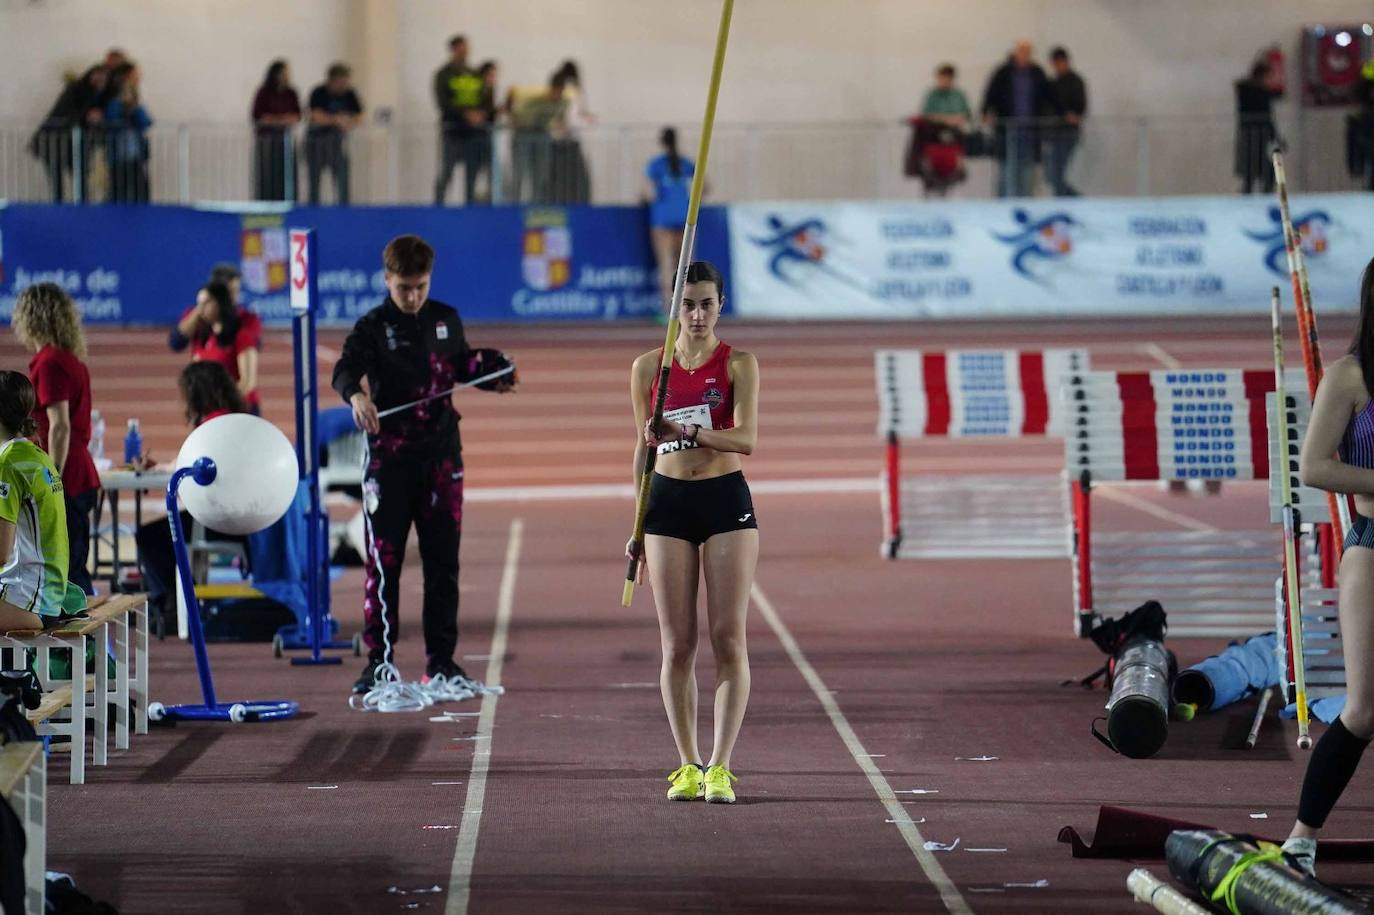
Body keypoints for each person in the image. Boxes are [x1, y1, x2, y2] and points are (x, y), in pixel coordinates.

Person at [331, 234, 514, 696]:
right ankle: (379, 663)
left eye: (420, 286)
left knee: (442, 565)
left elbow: (461, 364)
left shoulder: (445, 319)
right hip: (389, 465)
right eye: (403, 288)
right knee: (383, 565)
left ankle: (443, 663)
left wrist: (496, 371)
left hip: (441, 464)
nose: (413, 297)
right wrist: (356, 395)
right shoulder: (372, 326)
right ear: (387, 279)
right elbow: (345, 369)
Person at [627, 261, 760, 804]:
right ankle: (686, 765)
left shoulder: (740, 364)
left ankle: (721, 766)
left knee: (728, 638)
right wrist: (635, 525)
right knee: (677, 644)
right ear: (674, 308)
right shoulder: (647, 369)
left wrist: (684, 428)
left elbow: (746, 438)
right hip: (666, 505)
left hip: (724, 501)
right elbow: (641, 450)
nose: (698, 314)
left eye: (707, 303)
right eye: (688, 304)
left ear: (721, 305)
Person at [1282, 256, 1374, 876]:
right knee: (1365, 707)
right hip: (1373, 547)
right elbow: (1315, 467)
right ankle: (1300, 842)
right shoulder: (1348, 378)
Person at [134, 362, 248, 637]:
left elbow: (188, 472)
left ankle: (172, 607)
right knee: (161, 533)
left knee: (148, 536)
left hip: (218, 521)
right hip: (243, 518)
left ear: (196, 394)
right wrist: (163, 465)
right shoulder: (231, 419)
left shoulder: (211, 427)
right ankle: (180, 602)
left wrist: (160, 468)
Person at [11, 284, 99, 596]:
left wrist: (54, 478)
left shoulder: (50, 362)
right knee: (71, 562)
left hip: (69, 474)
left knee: (67, 568)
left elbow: (60, 425)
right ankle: (87, 640)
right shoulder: (68, 359)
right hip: (79, 470)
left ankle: (88, 641)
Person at [0, 371, 82, 632]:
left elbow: (1, 553)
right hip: (47, 595)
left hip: (28, 600)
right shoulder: (37, 454)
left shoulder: (8, 464)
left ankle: (17, 675)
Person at [169, 281, 264, 414]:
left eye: (206, 303)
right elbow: (176, 340)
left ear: (220, 303)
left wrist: (223, 408)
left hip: (239, 410)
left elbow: (247, 382)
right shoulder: (201, 335)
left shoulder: (242, 336)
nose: (200, 309)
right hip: (208, 412)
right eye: (198, 304)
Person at [981, 39, 1057, 198]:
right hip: (1006, 127)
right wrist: (985, 111)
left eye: (1027, 51)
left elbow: (1049, 96)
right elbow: (991, 93)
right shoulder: (1003, 72)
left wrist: (1061, 113)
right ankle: (1001, 202)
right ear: (1015, 52)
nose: (1024, 54)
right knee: (1006, 166)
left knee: (1027, 167)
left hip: (1030, 128)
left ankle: (1025, 200)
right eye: (1021, 51)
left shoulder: (1037, 72)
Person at [28, 65, 108, 203]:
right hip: (54, 142)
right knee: (57, 179)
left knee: (80, 178)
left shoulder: (98, 97)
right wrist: (87, 116)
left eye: (103, 79)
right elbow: (67, 113)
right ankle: (61, 207)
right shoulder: (75, 90)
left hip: (73, 144)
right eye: (97, 76)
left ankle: (81, 206)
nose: (99, 81)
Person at [642, 127, 695, 312]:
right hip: (685, 217)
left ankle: (668, 310)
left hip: (662, 219)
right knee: (687, 266)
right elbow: (706, 187)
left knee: (666, 265)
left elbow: (649, 195)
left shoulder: (655, 165)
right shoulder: (687, 164)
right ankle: (690, 309)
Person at [433, 35, 487, 206]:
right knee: (447, 170)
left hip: (473, 133)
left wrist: (480, 114)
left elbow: (483, 98)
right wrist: (464, 114)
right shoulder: (444, 74)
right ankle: (439, 204)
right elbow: (443, 102)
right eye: (461, 48)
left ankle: (470, 205)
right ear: (454, 49)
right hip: (453, 132)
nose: (465, 52)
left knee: (472, 173)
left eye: (467, 48)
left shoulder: (474, 74)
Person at [306, 63, 364, 205]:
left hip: (337, 144)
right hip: (317, 143)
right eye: (341, 82)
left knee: (342, 178)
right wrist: (336, 120)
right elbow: (315, 115)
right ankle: (314, 207)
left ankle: (343, 208)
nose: (344, 86)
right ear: (332, 80)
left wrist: (348, 121)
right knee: (315, 180)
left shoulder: (349, 94)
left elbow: (359, 115)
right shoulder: (318, 92)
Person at [508, 73, 569, 205]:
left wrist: (560, 126)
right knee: (519, 172)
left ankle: (537, 204)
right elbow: (518, 116)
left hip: (543, 136)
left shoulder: (563, 102)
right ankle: (513, 205)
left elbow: (561, 120)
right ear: (552, 88)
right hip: (524, 135)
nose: (558, 95)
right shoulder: (534, 101)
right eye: (557, 91)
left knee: (541, 174)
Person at [251, 60, 302, 201]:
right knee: (267, 175)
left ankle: (289, 201)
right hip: (267, 142)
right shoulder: (263, 92)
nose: (287, 76)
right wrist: (280, 120)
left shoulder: (291, 93)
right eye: (284, 73)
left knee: (287, 174)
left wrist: (278, 120)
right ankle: (265, 202)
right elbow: (259, 116)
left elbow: (297, 115)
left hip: (285, 142)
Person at [103, 62, 152, 203]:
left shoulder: (136, 104)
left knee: (142, 191)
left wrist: (133, 106)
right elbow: (112, 121)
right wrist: (123, 106)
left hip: (136, 156)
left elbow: (146, 122)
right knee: (118, 191)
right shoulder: (113, 102)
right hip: (119, 156)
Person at [1235, 58, 1283, 194]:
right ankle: (1259, 192)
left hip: (1254, 133)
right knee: (1259, 168)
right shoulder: (1257, 92)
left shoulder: (1249, 91)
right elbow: (1266, 116)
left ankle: (1252, 191)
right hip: (1257, 133)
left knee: (1253, 170)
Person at [1045, 47, 1086, 197]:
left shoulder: (1075, 81)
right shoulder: (1053, 83)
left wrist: (1072, 115)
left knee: (1057, 173)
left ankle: (1069, 200)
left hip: (1068, 133)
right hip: (1053, 133)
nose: (1057, 66)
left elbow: (1080, 107)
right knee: (1052, 174)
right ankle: (1069, 199)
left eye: (1060, 62)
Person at [550, 60, 593, 203]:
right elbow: (571, 118)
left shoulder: (570, 91)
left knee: (565, 179)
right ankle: (574, 205)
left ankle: (569, 202)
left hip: (566, 140)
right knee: (572, 179)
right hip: (566, 141)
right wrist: (586, 120)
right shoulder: (572, 90)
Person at [921, 64, 972, 130]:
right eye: (942, 79)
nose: (944, 82)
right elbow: (926, 115)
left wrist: (959, 118)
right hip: (935, 129)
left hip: (957, 129)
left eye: (947, 79)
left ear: (952, 79)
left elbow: (967, 114)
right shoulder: (932, 95)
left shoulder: (959, 95)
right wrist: (945, 119)